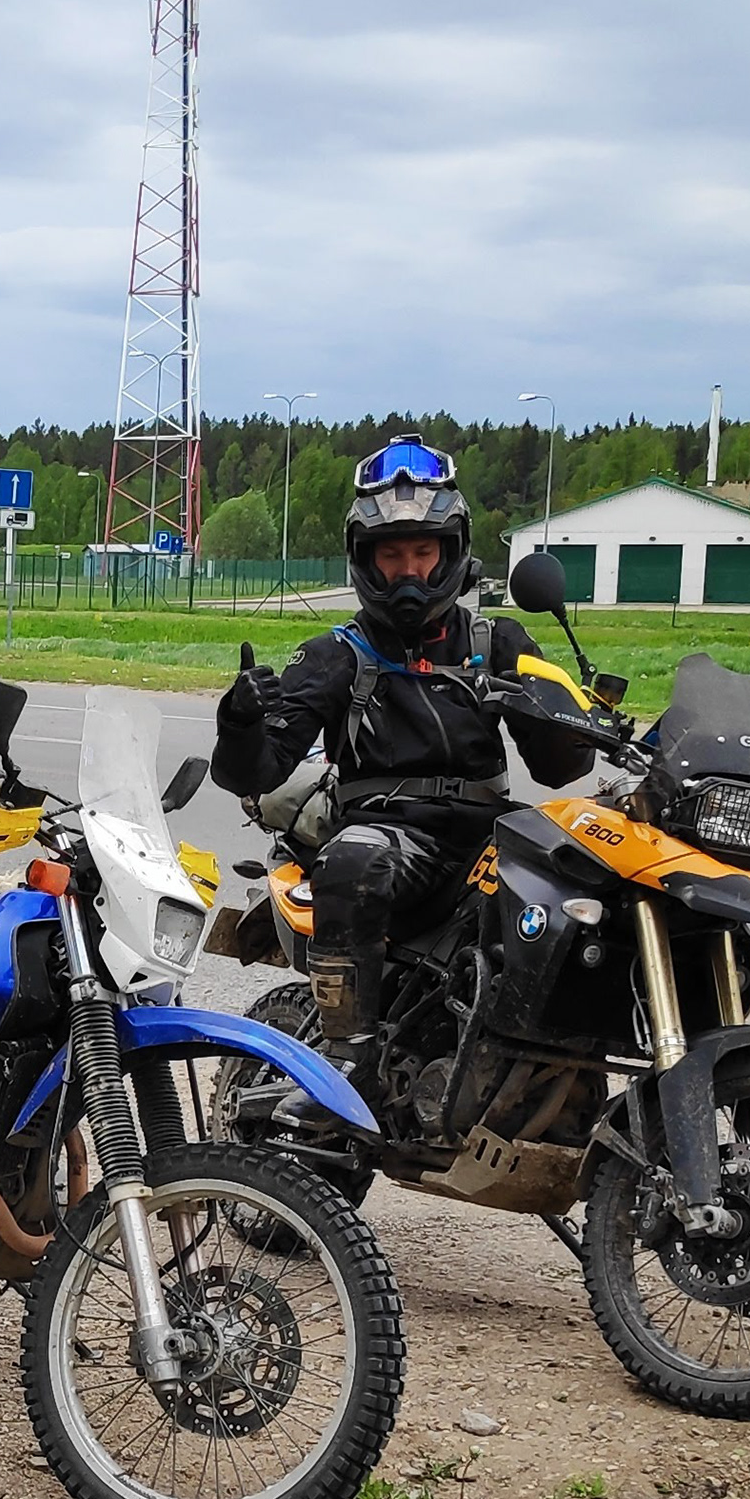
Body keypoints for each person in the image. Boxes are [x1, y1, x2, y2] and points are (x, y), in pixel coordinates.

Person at [209, 435, 602, 1090]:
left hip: (488, 840)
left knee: (596, 874)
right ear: (366, 560)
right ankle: (345, 1061)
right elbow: (254, 773)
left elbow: (561, 769)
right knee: (357, 857)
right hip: (391, 840)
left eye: (423, 552)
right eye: (392, 556)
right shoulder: (335, 655)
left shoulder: (498, 641)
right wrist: (241, 721)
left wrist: (571, 714)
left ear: (452, 551)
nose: (410, 572)